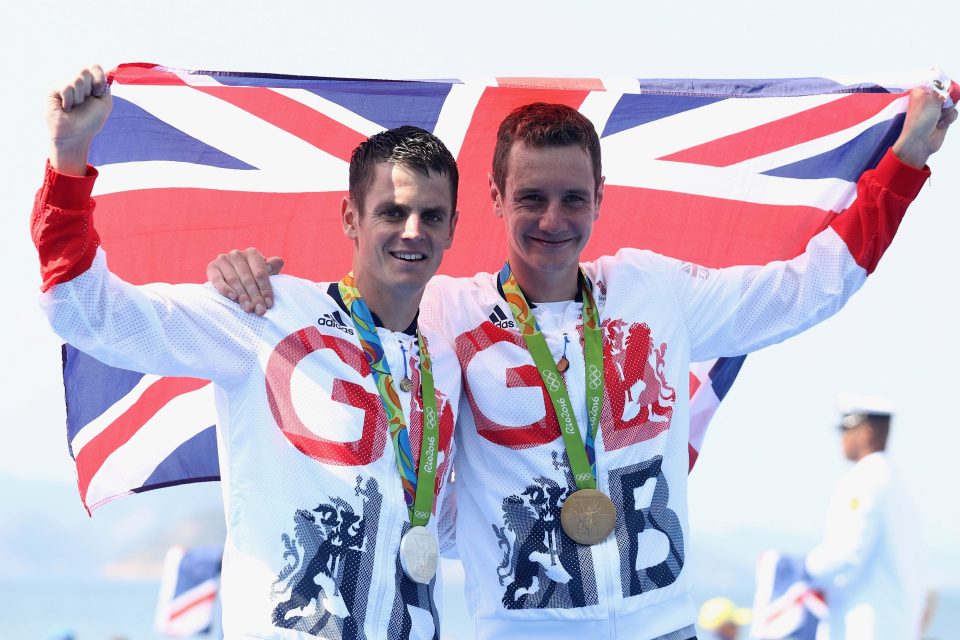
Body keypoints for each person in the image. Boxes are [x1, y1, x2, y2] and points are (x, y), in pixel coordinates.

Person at [211, 88, 953, 640]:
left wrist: (908, 159)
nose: (553, 219)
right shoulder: (445, 314)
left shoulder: (653, 292)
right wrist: (249, 277)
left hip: (662, 625)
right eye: (531, 197)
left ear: (602, 199)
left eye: (574, 198)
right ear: (496, 199)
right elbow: (353, 304)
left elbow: (808, 289)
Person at [33, 65, 463, 639]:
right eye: (392, 211)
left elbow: (454, 515)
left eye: (431, 216)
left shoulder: (449, 353)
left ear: (453, 228)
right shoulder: (264, 314)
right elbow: (90, 315)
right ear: (350, 218)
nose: (413, 231)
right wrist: (70, 156)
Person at [803, 396, 926, 639]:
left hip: (864, 629)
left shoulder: (865, 479)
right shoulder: (895, 482)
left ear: (866, 432)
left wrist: (801, 568)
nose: (842, 438)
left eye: (845, 429)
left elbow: (845, 554)